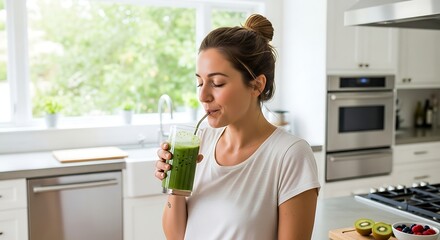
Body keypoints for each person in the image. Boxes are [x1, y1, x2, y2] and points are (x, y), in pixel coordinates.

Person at [155, 13, 320, 240]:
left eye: (217, 83)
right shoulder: (198, 141)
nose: (203, 95)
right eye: (200, 82)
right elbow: (176, 236)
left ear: (256, 85)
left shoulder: (290, 155)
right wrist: (176, 185)